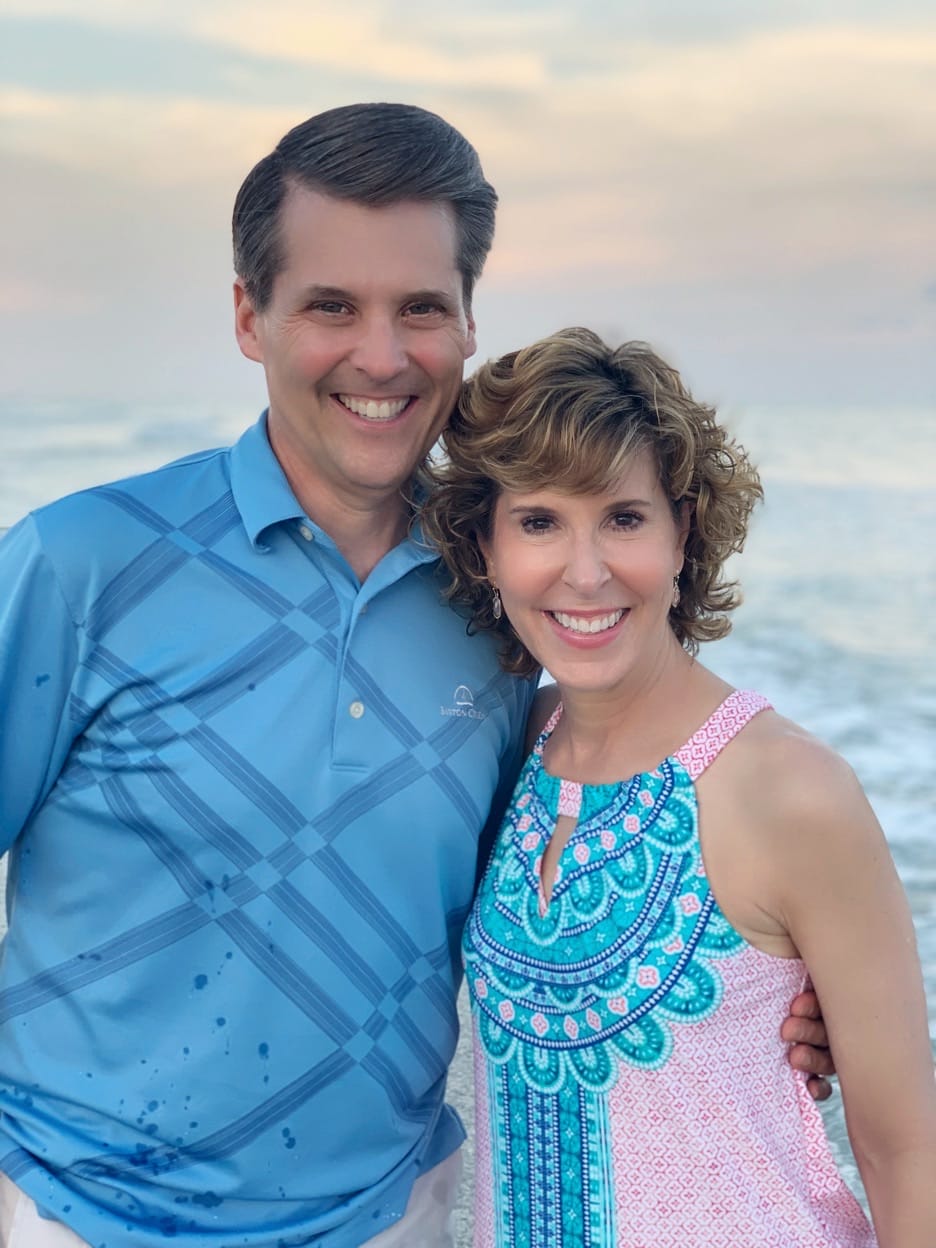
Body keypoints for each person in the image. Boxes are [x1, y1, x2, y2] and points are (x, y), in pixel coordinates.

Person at [0, 107, 831, 1248]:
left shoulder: (503, 596)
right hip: (71, 1217)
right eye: (332, 306)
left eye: (421, 310)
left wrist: (784, 983)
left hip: (394, 1221)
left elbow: (596, 821)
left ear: (466, 324)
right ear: (251, 317)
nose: (382, 357)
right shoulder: (83, 563)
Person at [421, 327, 936, 1247]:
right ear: (486, 547)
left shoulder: (790, 791)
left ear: (681, 531)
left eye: (624, 516)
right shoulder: (504, 748)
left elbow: (906, 1150)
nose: (586, 572)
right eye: (540, 520)